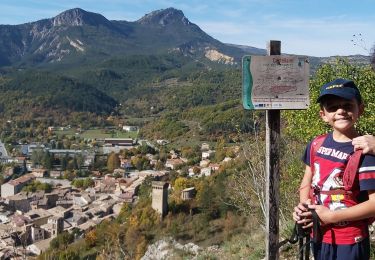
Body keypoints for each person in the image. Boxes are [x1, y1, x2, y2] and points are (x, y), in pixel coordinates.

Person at [293, 78, 375, 260]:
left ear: (359, 109)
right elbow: (308, 178)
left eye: (347, 105)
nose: (340, 111)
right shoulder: (316, 144)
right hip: (319, 234)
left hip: (349, 240)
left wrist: (331, 217)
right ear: (323, 114)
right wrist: (305, 207)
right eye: (332, 107)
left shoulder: (365, 151)